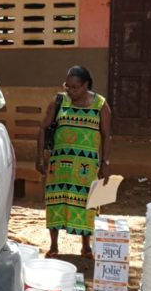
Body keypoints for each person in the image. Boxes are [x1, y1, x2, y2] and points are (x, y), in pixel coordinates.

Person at [35, 65, 112, 258]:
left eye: (75, 87)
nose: (70, 90)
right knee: (55, 203)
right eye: (67, 86)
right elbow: (43, 128)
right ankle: (54, 246)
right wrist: (39, 157)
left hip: (87, 168)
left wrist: (105, 163)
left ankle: (86, 247)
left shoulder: (100, 105)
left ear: (86, 85)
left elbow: (106, 135)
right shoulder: (59, 101)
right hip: (59, 167)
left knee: (87, 205)